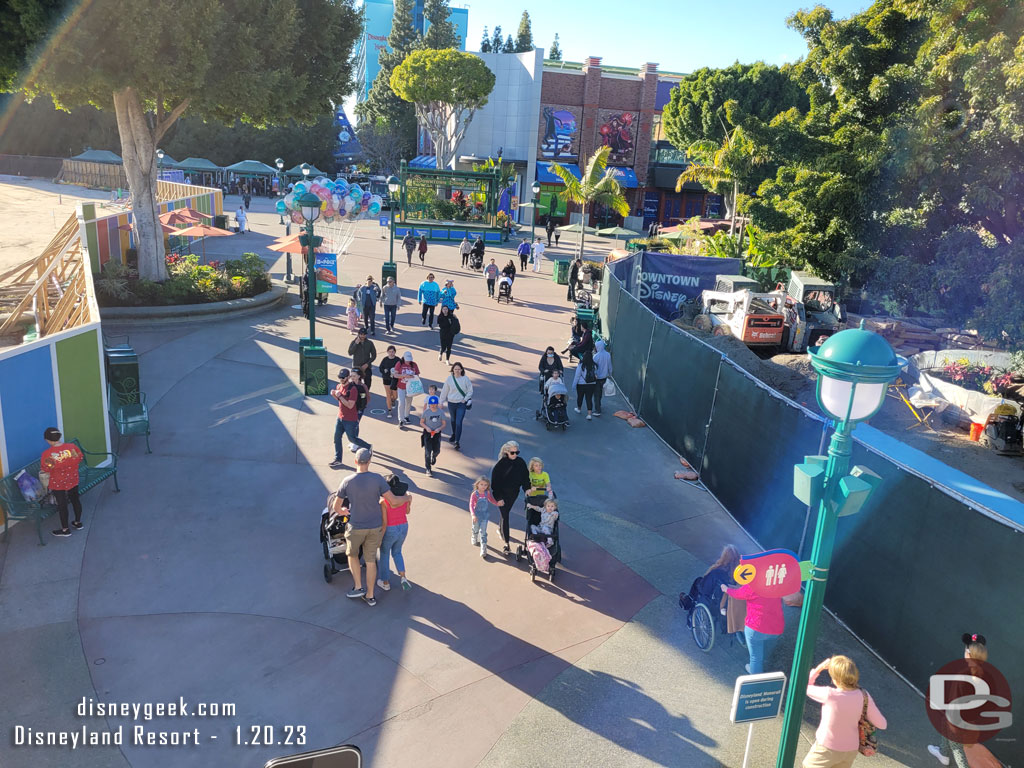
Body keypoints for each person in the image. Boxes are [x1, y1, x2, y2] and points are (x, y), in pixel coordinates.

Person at [335, 448, 402, 607]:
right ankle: (370, 596)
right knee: (371, 560)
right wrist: (407, 498)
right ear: (369, 462)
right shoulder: (378, 479)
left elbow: (337, 507)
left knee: (352, 555)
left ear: (355, 461)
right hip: (375, 527)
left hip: (356, 526)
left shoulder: (347, 481)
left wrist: (343, 511)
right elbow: (392, 501)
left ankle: (358, 587)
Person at [802, 656, 887, 768]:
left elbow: (804, 686)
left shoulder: (829, 694)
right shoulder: (864, 695)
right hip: (850, 750)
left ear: (834, 679)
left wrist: (819, 668)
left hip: (827, 748)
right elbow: (882, 724)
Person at [927, 633, 997, 768]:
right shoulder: (983, 673)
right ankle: (943, 754)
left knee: (957, 749)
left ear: (968, 654)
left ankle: (948, 756)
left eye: (965, 649)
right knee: (946, 729)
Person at [722, 574, 785, 674]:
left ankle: (756, 680)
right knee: (766, 649)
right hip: (776, 628)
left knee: (756, 657)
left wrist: (726, 589)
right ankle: (766, 663)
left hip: (756, 628)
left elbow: (738, 594)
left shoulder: (753, 585)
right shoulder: (777, 583)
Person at [41, 427, 84, 537]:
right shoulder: (71, 447)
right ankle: (78, 523)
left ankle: (65, 530)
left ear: (48, 440)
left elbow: (46, 468)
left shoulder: (48, 454)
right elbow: (79, 458)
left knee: (62, 505)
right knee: (75, 500)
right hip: (73, 479)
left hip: (58, 483)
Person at [490, 441, 530, 556]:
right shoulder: (500, 465)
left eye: (517, 452)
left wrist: (527, 488)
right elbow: (495, 485)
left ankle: (500, 528)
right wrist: (499, 498)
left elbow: (525, 477)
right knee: (505, 515)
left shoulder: (520, 462)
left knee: (505, 513)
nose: (515, 455)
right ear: (506, 452)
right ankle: (506, 544)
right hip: (502, 495)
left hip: (513, 494)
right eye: (512, 452)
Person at [378, 473, 413, 592]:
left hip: (390, 528)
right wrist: (409, 500)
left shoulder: (383, 502)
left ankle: (385, 582)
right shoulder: (405, 497)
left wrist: (380, 538)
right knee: (397, 552)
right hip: (404, 526)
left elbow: (384, 522)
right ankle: (403, 577)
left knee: (384, 553)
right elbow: (407, 512)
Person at [330, 368, 371, 468]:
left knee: (352, 439)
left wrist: (339, 396)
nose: (341, 379)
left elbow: (350, 405)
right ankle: (338, 459)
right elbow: (340, 401)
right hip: (340, 417)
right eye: (339, 377)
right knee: (336, 438)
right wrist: (334, 395)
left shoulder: (353, 389)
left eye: (343, 378)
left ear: (348, 378)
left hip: (350, 419)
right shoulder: (339, 386)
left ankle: (368, 447)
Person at [440, 361, 473, 450]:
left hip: (461, 404)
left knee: (459, 422)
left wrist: (465, 399)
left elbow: (470, 390)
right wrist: (441, 401)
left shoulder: (465, 379)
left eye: (459, 369)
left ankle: (457, 441)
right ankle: (454, 434)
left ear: (462, 370)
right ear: (453, 370)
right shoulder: (449, 379)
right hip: (451, 403)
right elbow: (444, 391)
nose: (457, 371)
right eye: (455, 369)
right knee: (453, 421)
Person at [469, 477, 499, 559]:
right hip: (476, 515)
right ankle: (474, 536)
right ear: (477, 484)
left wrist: (497, 503)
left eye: (485, 485)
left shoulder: (487, 493)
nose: (483, 486)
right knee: (475, 529)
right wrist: (473, 515)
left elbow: (491, 500)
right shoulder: (475, 494)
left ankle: (483, 548)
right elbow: (471, 505)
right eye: (481, 484)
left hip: (485, 515)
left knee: (483, 532)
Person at [419, 395, 447, 477]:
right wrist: (427, 427)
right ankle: (428, 468)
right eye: (431, 404)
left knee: (437, 450)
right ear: (429, 404)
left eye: (435, 404)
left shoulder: (441, 412)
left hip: (437, 433)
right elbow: (421, 422)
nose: (433, 406)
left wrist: (439, 428)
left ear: (437, 404)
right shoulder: (426, 412)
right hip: (427, 433)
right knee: (427, 452)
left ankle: (434, 456)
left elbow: (444, 423)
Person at [394, 351, 420, 426]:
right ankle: (401, 419)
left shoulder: (414, 365)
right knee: (401, 403)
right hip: (401, 386)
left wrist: (413, 377)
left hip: (410, 388)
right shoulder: (399, 364)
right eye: (407, 359)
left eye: (409, 359)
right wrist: (403, 375)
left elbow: (417, 375)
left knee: (408, 402)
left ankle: (406, 416)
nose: (408, 361)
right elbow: (395, 375)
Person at [572, 349, 599, 420]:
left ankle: (579, 409)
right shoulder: (594, 365)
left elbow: (577, 376)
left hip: (581, 384)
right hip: (591, 384)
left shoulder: (581, 365)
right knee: (589, 398)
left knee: (580, 397)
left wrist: (574, 385)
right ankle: (589, 414)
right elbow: (596, 375)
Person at [592, 339, 613, 416]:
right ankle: (599, 405)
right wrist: (610, 374)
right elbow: (610, 366)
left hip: (597, 378)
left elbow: (593, 368)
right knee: (600, 393)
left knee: (596, 394)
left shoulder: (595, 356)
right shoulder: (608, 355)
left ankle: (597, 410)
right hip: (604, 377)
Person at [379, 345, 400, 418]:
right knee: (388, 394)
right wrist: (384, 371)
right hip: (386, 379)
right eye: (390, 352)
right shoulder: (385, 359)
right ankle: (389, 410)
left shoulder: (398, 360)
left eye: (393, 352)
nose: (391, 353)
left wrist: (396, 373)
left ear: (395, 352)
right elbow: (380, 368)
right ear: (387, 352)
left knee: (395, 395)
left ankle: (393, 400)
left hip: (395, 379)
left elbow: (401, 369)